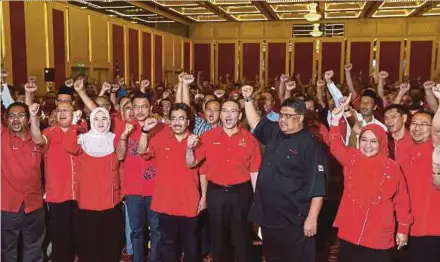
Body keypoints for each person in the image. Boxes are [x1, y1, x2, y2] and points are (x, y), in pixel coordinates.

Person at [241, 84, 327, 262]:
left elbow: (317, 187)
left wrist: (312, 219)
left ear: (300, 118)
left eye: (288, 116)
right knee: (273, 257)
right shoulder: (275, 133)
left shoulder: (310, 145)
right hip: (269, 216)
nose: (283, 120)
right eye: (281, 115)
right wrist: (248, 99)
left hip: (294, 219)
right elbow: (256, 122)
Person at [330, 97, 412, 262]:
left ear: (381, 142)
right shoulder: (352, 158)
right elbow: (336, 146)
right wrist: (335, 121)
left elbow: (402, 200)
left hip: (379, 236)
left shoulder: (392, 167)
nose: (368, 145)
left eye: (373, 141)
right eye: (364, 140)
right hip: (350, 231)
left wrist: (403, 229)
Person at [186, 99, 262, 262]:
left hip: (241, 193)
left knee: (242, 237)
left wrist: (257, 198)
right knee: (218, 238)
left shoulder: (249, 139)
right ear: (221, 115)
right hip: (216, 193)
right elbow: (192, 163)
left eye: (233, 111)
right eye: (225, 111)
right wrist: (189, 148)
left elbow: (255, 171)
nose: (228, 115)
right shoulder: (207, 137)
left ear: (240, 115)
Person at [138, 103, 203, 262]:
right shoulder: (160, 138)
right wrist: (145, 131)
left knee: (191, 244)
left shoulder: (196, 141)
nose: (177, 122)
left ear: (188, 121)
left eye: (181, 118)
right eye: (174, 118)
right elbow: (141, 151)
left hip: (189, 201)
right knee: (167, 244)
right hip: (165, 202)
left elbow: (192, 164)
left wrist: (204, 197)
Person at [63, 107, 125, 262]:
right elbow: (69, 146)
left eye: (104, 118)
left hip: (111, 202)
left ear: (109, 121)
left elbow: (121, 168)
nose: (100, 122)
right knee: (89, 246)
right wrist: (73, 123)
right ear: (91, 121)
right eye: (96, 119)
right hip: (88, 203)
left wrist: (121, 192)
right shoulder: (83, 139)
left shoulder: (115, 139)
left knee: (110, 245)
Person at [29, 101, 82, 262]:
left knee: (80, 233)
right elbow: (37, 139)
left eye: (66, 110)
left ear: (74, 114)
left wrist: (74, 127)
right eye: (59, 111)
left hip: (81, 193)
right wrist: (33, 116)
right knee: (60, 233)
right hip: (58, 193)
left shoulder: (82, 132)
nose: (62, 113)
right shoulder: (49, 132)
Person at [398, 85, 440, 262]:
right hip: (405, 225)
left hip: (431, 227)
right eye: (414, 123)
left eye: (424, 125)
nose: (417, 128)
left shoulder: (434, 148)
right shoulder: (403, 146)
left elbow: (437, 131)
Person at [1, 102, 46, 262]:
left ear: (28, 119)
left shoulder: (37, 139)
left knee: (34, 249)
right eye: (12, 116)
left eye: (20, 116)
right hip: (8, 207)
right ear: (5, 119)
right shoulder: (2, 137)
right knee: (7, 251)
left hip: (34, 205)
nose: (15, 119)